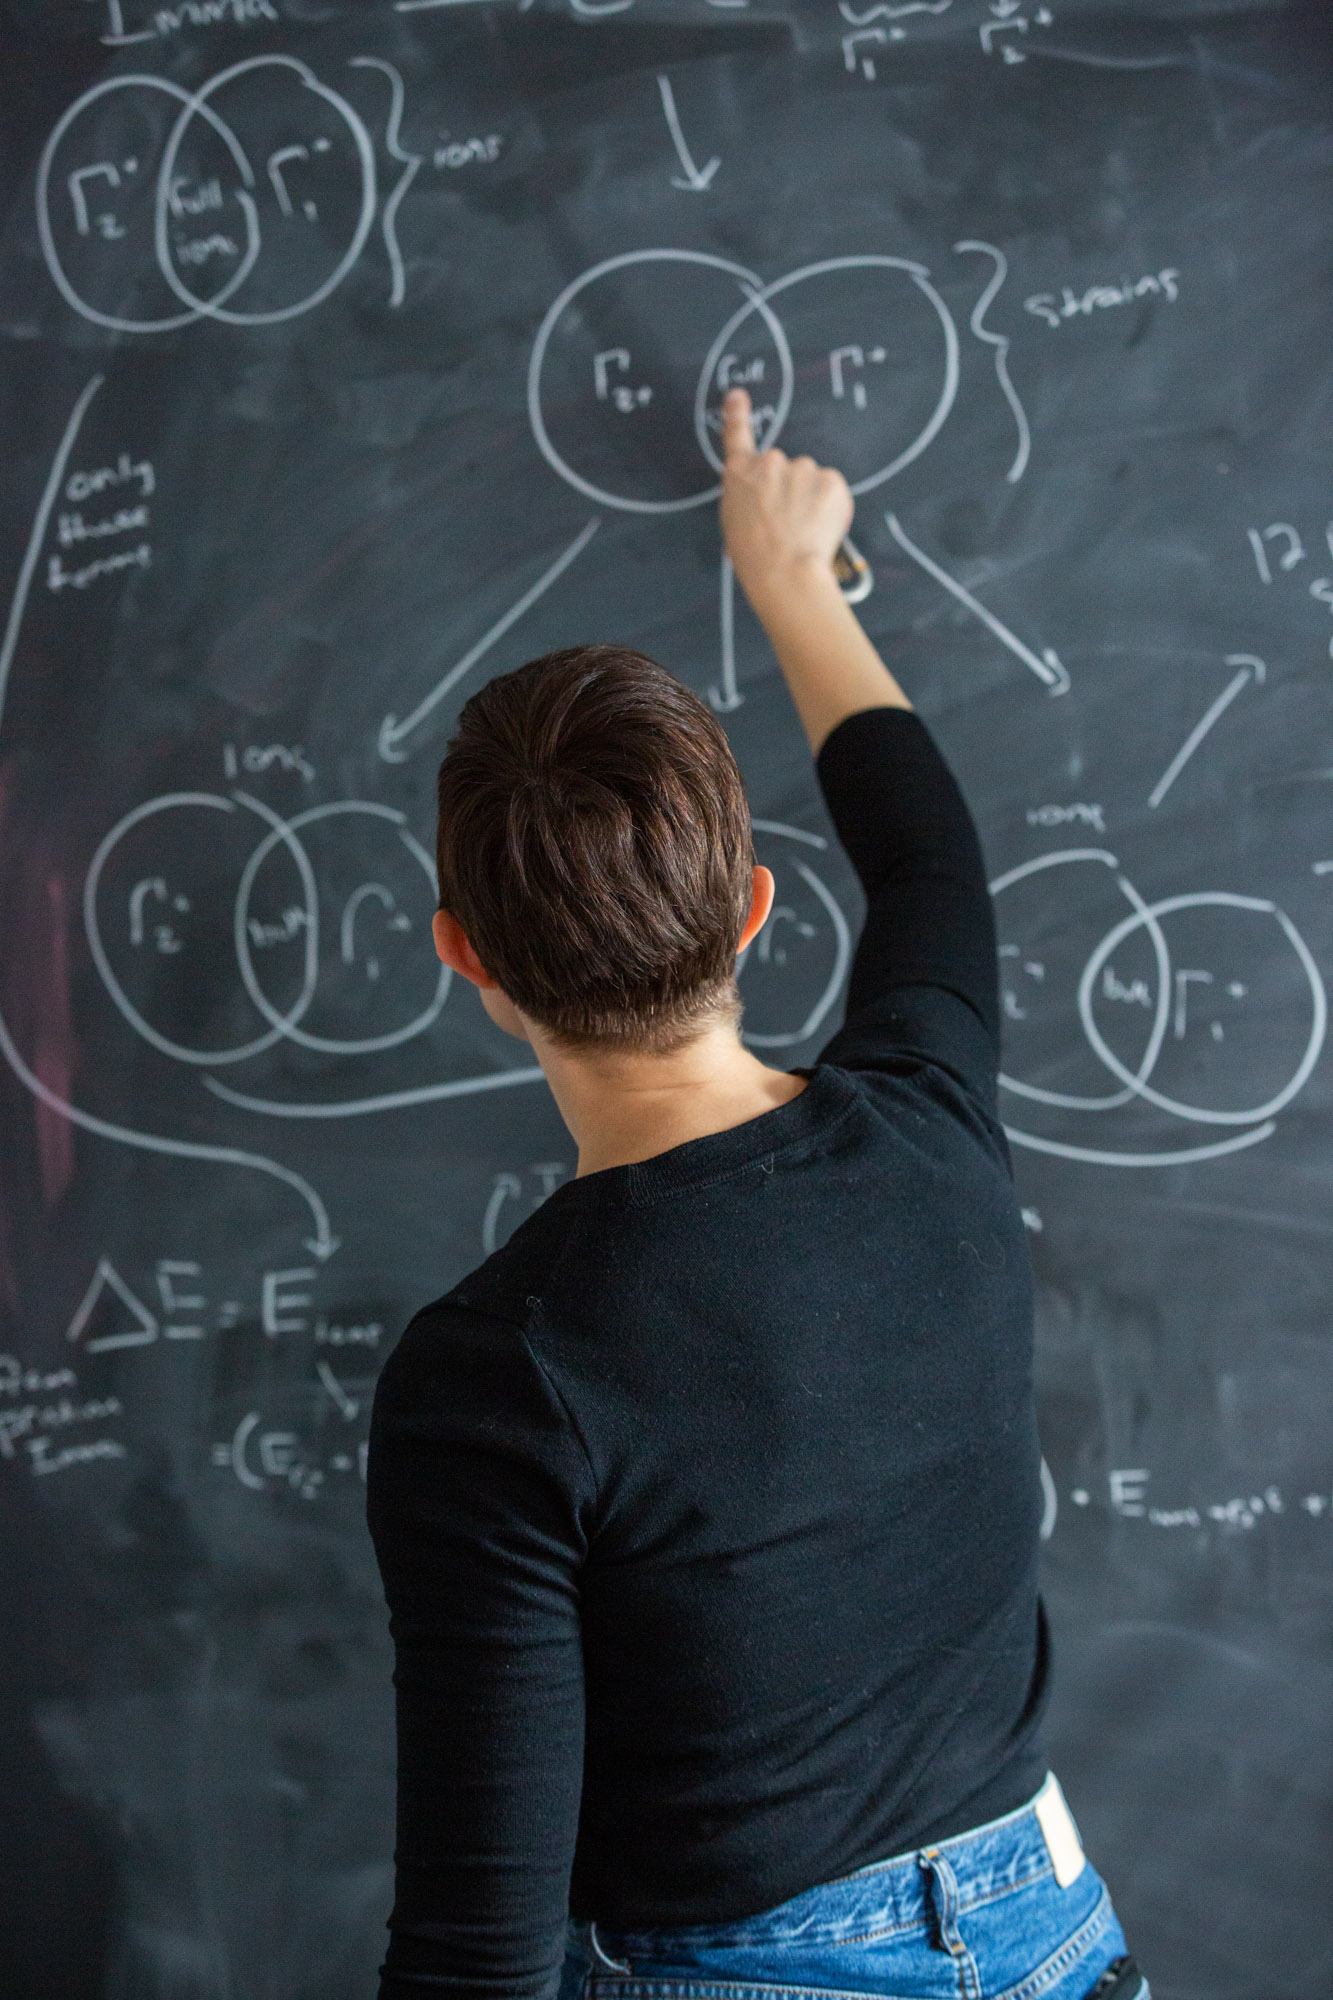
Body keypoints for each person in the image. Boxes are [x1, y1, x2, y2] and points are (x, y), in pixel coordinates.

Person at [365, 387, 1146, 2000]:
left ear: (469, 963)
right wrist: (793, 576)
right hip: (1057, 1932)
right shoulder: (930, 1116)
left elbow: (477, 1939)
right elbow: (928, 860)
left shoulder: (495, 1378)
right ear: (752, 908)